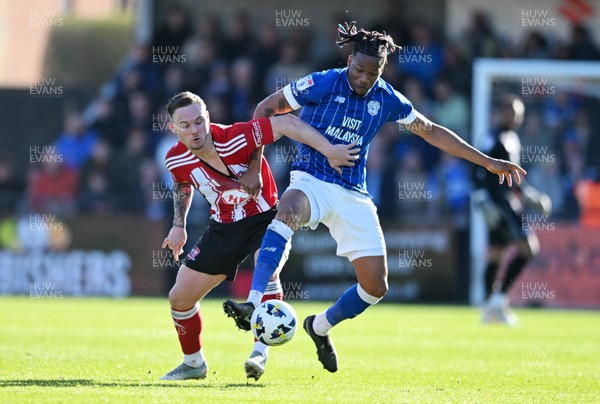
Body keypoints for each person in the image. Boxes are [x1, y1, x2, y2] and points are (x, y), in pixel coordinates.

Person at [222, 21, 526, 373]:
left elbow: (431, 132)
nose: (365, 77)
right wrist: (254, 168)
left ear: (383, 69)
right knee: (286, 211)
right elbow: (265, 110)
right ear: (348, 59)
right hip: (311, 180)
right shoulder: (322, 81)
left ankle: (319, 326)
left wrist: (487, 161)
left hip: (353, 193)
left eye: (374, 71)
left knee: (375, 286)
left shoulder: (387, 98)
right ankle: (255, 302)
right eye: (359, 69)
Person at [159, 91, 357, 381]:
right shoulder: (174, 158)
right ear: (173, 128)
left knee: (268, 274)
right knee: (179, 298)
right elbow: (182, 184)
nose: (194, 130)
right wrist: (179, 225)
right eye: (185, 125)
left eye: (199, 122)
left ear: (208, 119)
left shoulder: (233, 137)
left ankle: (259, 354)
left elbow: (285, 122)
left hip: (266, 218)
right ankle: (193, 364)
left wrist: (329, 149)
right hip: (223, 227)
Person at [474, 94, 551, 326]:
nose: (514, 117)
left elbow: (515, 178)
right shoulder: (491, 137)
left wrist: (530, 195)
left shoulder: (513, 138)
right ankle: (498, 299)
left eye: (518, 114)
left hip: (508, 200)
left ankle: (491, 306)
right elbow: (477, 170)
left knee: (497, 252)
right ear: (500, 113)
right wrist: (482, 200)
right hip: (499, 203)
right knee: (528, 249)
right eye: (509, 112)